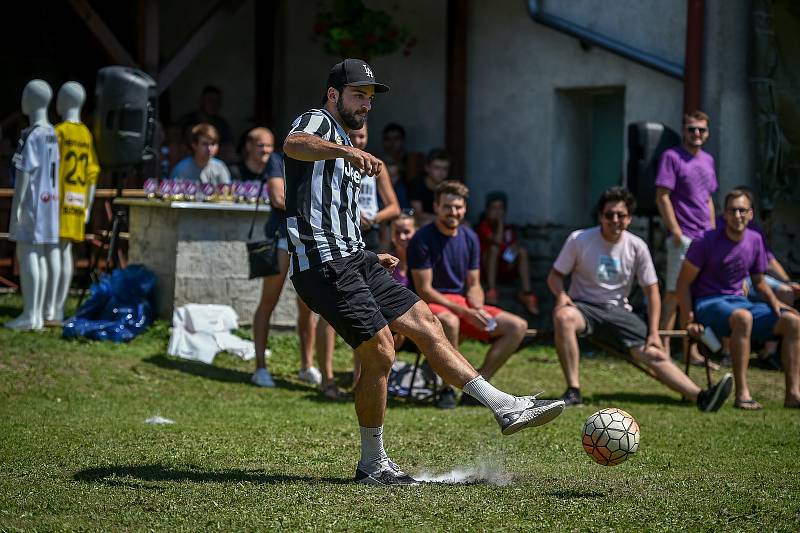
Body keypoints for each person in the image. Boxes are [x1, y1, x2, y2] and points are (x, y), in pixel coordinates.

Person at [283, 58, 564, 486]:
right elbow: (293, 143)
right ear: (333, 95)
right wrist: (345, 149)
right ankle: (372, 465)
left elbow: (333, 214)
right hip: (321, 263)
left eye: (370, 97)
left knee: (427, 322)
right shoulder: (319, 122)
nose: (366, 105)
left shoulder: (342, 137)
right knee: (380, 351)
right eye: (359, 95)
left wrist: (371, 256)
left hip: (355, 257)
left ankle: (504, 406)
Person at [547, 186, 733, 411]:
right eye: (609, 215)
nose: (615, 220)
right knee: (563, 317)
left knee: (652, 351)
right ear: (600, 216)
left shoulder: (637, 246)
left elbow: (652, 292)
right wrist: (562, 295)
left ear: (629, 218)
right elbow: (555, 277)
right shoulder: (579, 239)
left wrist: (654, 332)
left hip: (620, 312)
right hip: (584, 308)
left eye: (621, 215)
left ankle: (702, 397)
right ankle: (573, 390)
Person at [407, 180, 531, 409]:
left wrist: (476, 307)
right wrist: (465, 311)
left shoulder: (469, 236)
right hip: (429, 305)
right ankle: (446, 390)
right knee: (450, 321)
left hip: (461, 303)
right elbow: (425, 290)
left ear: (464, 208)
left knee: (517, 326)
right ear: (436, 207)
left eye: (458, 207)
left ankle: (479, 387)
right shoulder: (422, 238)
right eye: (447, 206)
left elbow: (474, 283)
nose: (453, 212)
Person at [677, 188, 800, 410]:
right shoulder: (704, 241)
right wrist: (689, 320)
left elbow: (759, 282)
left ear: (751, 214)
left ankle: (793, 395)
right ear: (724, 214)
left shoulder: (755, 240)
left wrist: (777, 305)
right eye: (732, 210)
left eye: (742, 210)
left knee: (793, 322)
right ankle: (742, 394)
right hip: (708, 304)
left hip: (739, 304)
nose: (737, 215)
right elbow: (683, 284)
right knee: (743, 317)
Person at [316, 121, 401, 396]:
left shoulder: (376, 165)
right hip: (337, 238)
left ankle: (359, 379)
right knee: (329, 310)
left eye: (363, 136)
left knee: (368, 307)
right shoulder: (332, 161)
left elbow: (394, 207)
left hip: (370, 237)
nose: (359, 141)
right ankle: (327, 379)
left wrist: (374, 218)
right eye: (353, 136)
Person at [239, 129, 322, 388]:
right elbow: (277, 198)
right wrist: (314, 208)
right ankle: (260, 368)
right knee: (269, 301)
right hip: (284, 237)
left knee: (308, 306)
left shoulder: (322, 160)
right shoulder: (278, 160)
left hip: (309, 239)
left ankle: (307, 365)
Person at [655, 110, 718, 364]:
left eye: (701, 129)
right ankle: (663, 349)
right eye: (692, 129)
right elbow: (662, 196)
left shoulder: (708, 160)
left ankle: (691, 352)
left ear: (707, 132)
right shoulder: (671, 157)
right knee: (672, 293)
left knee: (694, 295)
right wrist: (677, 231)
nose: (696, 134)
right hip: (683, 239)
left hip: (704, 238)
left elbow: (709, 199)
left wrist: (713, 232)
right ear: (684, 131)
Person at [5, 79, 60, 331]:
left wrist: (16, 208)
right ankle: (36, 315)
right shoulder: (53, 134)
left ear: (32, 100)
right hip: (50, 202)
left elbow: (24, 173)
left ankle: (30, 314)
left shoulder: (32, 135)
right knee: (40, 256)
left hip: (33, 203)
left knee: (28, 254)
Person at [47, 82, 100, 325]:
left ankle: (52, 309)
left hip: (57, 201)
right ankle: (58, 306)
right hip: (77, 200)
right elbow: (92, 174)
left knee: (56, 251)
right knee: (66, 251)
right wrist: (87, 206)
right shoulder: (85, 134)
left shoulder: (59, 132)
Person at [477, 191, 540, 315]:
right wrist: (500, 223)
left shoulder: (509, 229)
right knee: (494, 249)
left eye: (500, 208)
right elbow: (497, 241)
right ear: (487, 210)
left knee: (521, 251)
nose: (497, 212)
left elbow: (508, 251)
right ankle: (491, 290)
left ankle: (527, 293)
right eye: (494, 208)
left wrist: (514, 249)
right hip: (487, 270)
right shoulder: (484, 226)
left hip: (505, 267)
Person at [179, 85, 235, 162]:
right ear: (201, 101)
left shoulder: (222, 123)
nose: (213, 104)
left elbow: (229, 147)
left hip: (215, 161)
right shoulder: (188, 120)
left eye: (217, 101)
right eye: (210, 100)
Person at [409, 148, 451, 225]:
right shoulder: (417, 185)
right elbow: (418, 214)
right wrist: (443, 219)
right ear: (427, 168)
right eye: (437, 168)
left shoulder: (449, 187)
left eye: (445, 169)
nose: (441, 173)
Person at [381, 122, 424, 188]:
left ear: (402, 140)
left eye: (396, 139)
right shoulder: (378, 160)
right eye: (388, 139)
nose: (392, 143)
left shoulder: (411, 160)